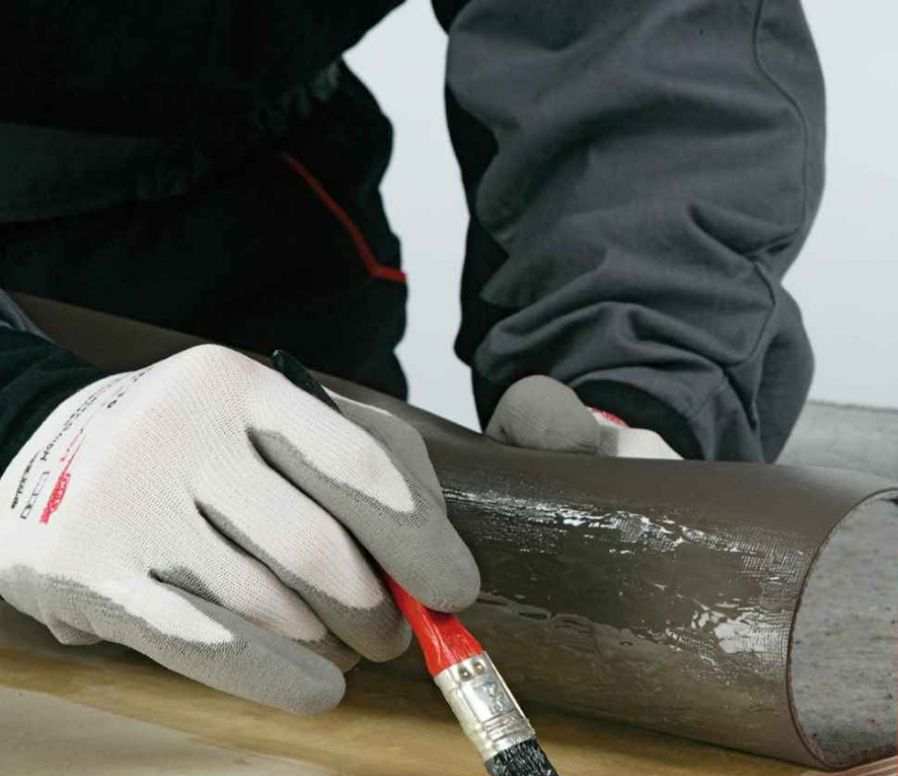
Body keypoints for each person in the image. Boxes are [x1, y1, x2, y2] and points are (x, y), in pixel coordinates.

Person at [0, 1, 824, 715]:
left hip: (252, 231)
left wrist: (641, 366)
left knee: (340, 638)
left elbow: (630, 28)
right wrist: (24, 418)